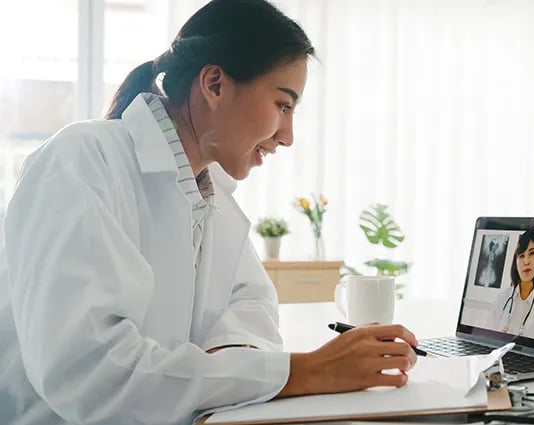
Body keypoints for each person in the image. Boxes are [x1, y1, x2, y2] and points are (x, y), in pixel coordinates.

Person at [0, 1, 418, 424]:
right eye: (283, 105)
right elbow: (91, 375)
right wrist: (307, 370)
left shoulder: (210, 194)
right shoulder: (81, 162)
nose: (287, 136)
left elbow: (252, 306)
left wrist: (226, 366)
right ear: (214, 84)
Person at [485, 230, 534, 341]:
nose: (526, 261)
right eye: (521, 255)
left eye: (532, 253)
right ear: (516, 262)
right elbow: (485, 339)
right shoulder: (502, 299)